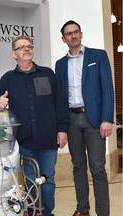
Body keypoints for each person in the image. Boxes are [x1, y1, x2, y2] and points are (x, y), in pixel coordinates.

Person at [0, 35, 69, 216]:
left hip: (49, 138)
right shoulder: (8, 78)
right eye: (21, 47)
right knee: (31, 181)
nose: (26, 49)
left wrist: (63, 129)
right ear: (14, 54)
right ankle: (34, 212)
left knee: (47, 180)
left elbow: (60, 103)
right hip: (24, 141)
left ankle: (47, 213)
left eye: (29, 46)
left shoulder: (47, 73)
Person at [55, 20, 114, 216]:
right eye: (69, 34)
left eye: (76, 32)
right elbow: (60, 96)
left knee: (97, 168)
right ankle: (83, 210)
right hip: (71, 120)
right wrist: (61, 126)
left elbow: (107, 88)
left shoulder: (98, 55)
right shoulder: (60, 64)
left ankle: (103, 213)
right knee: (78, 167)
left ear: (81, 34)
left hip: (94, 119)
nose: (73, 36)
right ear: (63, 39)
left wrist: (107, 119)